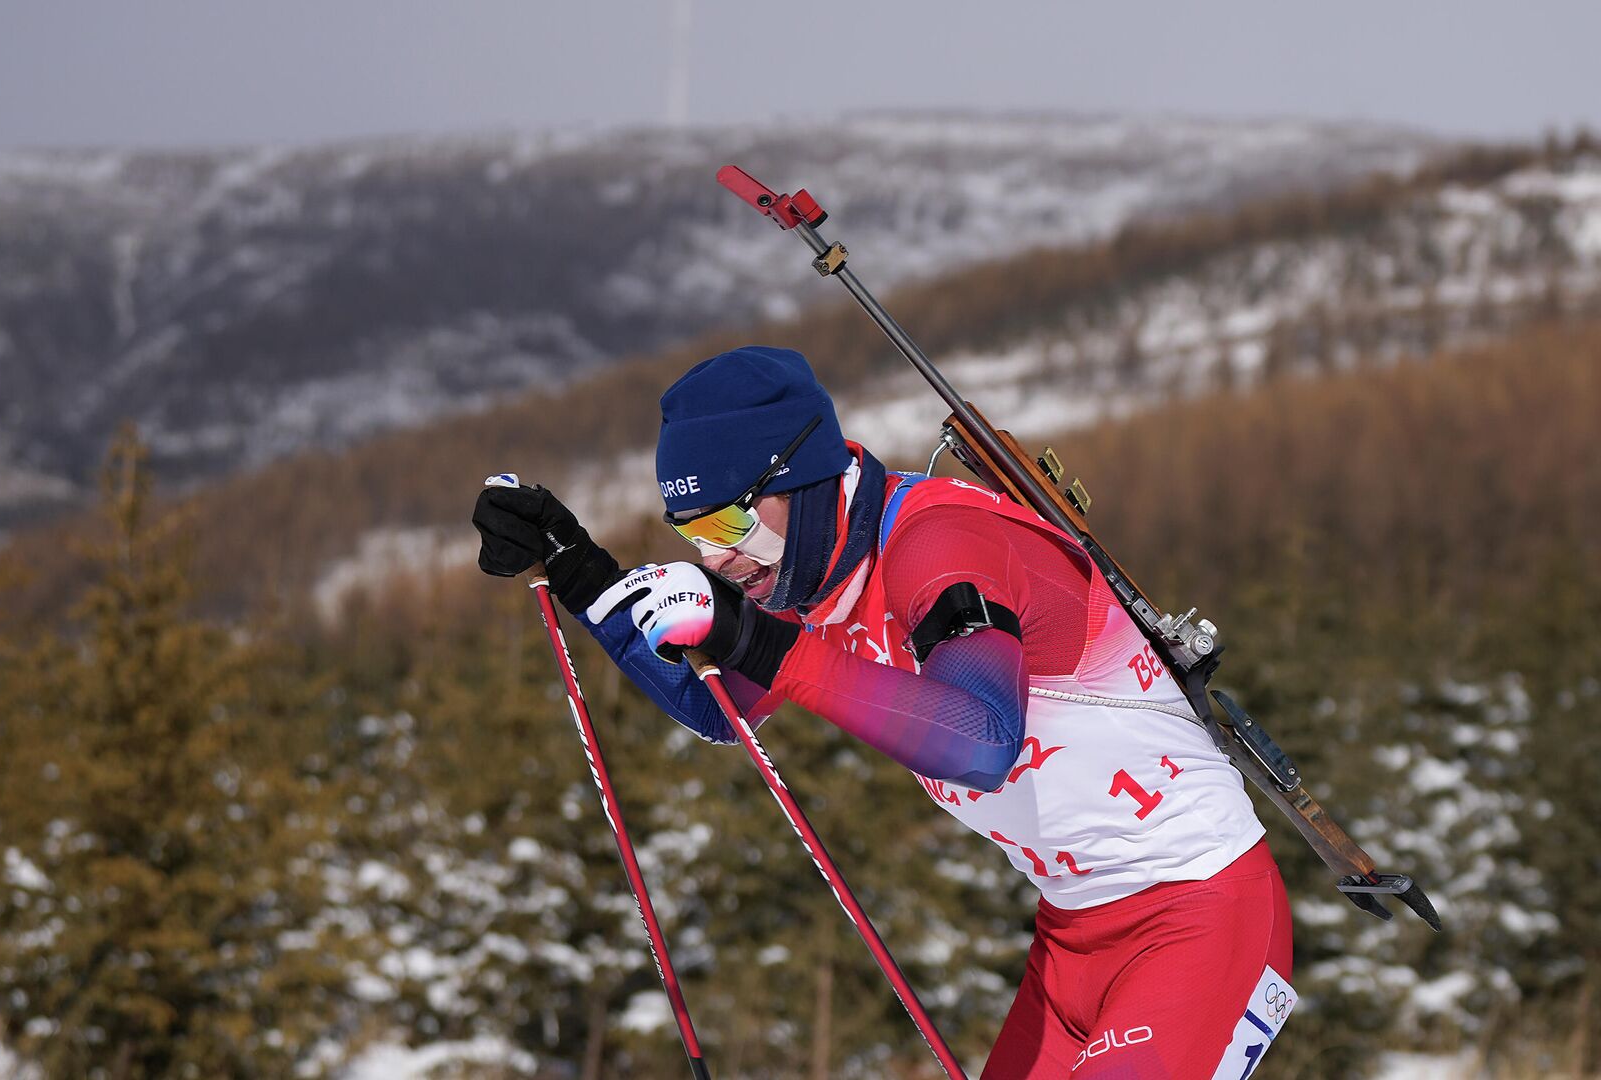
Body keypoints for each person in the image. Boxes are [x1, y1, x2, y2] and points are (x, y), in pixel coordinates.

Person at [473, 346, 1295, 1078]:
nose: (717, 556)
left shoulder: (940, 544)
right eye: (691, 531)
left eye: (730, 521)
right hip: (1075, 937)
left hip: (1202, 912)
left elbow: (982, 739)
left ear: (800, 478)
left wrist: (757, 640)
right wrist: (578, 571)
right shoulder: (810, 575)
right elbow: (715, 707)